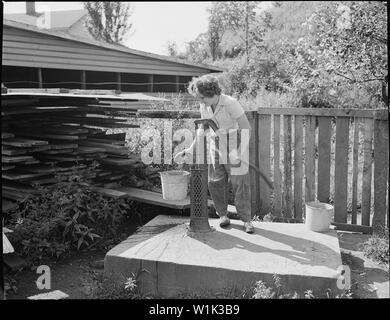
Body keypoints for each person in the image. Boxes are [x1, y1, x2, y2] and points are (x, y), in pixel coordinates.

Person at [174, 75, 254, 233]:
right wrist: (190, 149)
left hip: (233, 143)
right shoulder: (204, 106)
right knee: (215, 182)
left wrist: (239, 151)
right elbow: (202, 129)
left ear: (212, 92)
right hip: (215, 144)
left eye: (202, 97)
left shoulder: (230, 103)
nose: (200, 101)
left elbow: (246, 128)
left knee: (240, 184)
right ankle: (223, 215)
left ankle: (246, 220)